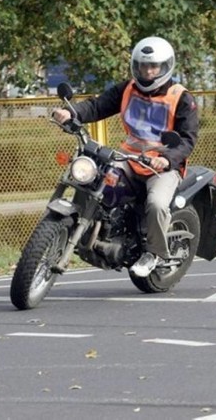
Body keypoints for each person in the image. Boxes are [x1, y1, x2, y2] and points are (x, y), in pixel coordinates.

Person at [52, 36, 199, 277]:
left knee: (156, 204)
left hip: (161, 166)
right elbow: (98, 106)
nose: (149, 71)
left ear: (165, 67)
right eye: (143, 65)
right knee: (95, 180)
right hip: (128, 158)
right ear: (136, 66)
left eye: (154, 67)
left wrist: (168, 158)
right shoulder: (127, 88)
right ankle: (96, 229)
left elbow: (187, 139)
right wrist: (71, 112)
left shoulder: (182, 98)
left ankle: (154, 253)